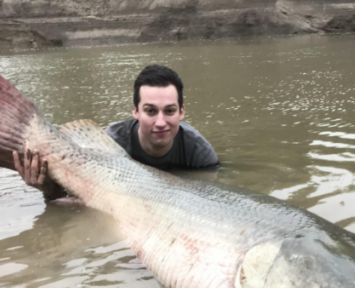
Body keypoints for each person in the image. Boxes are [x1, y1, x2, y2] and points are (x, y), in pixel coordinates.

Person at [12, 64, 220, 202]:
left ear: (181, 112)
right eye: (150, 111)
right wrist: (47, 189)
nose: (160, 122)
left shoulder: (200, 154)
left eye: (169, 111)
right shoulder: (110, 142)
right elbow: (76, 196)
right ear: (135, 111)